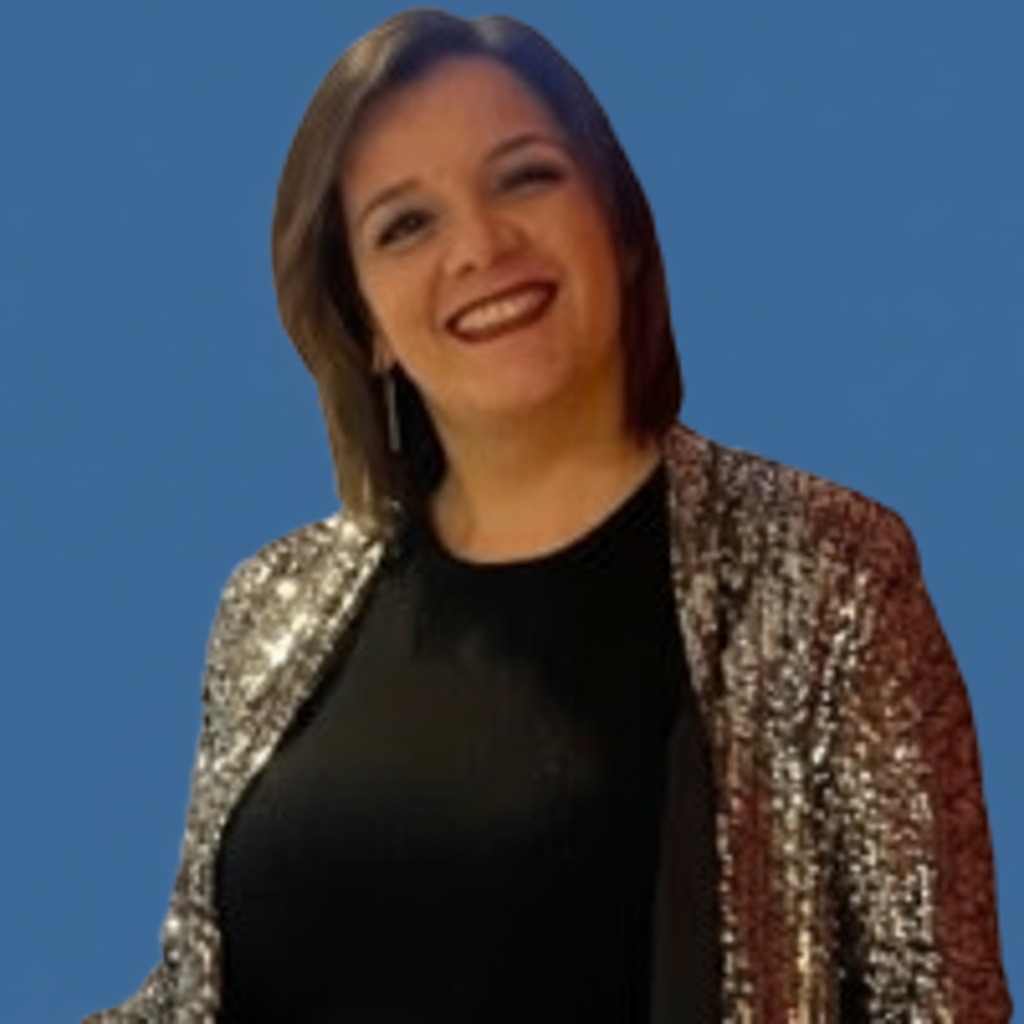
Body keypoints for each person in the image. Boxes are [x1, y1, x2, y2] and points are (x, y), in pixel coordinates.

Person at [84, 9, 1012, 1023]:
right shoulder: (269, 603)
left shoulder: (830, 576)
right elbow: (190, 997)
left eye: (524, 176)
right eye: (405, 225)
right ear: (365, 323)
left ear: (620, 227)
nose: (481, 245)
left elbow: (942, 1003)